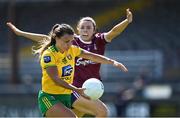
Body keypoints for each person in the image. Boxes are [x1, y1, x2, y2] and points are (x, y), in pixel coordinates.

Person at [6, 8, 132, 117]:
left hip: (79, 91)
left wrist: (113, 62)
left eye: (89, 27)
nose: (85, 30)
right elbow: (46, 41)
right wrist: (20, 33)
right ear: (78, 29)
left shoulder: (87, 43)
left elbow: (96, 52)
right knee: (92, 114)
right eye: (82, 27)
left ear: (95, 30)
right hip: (63, 92)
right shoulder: (58, 49)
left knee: (94, 113)